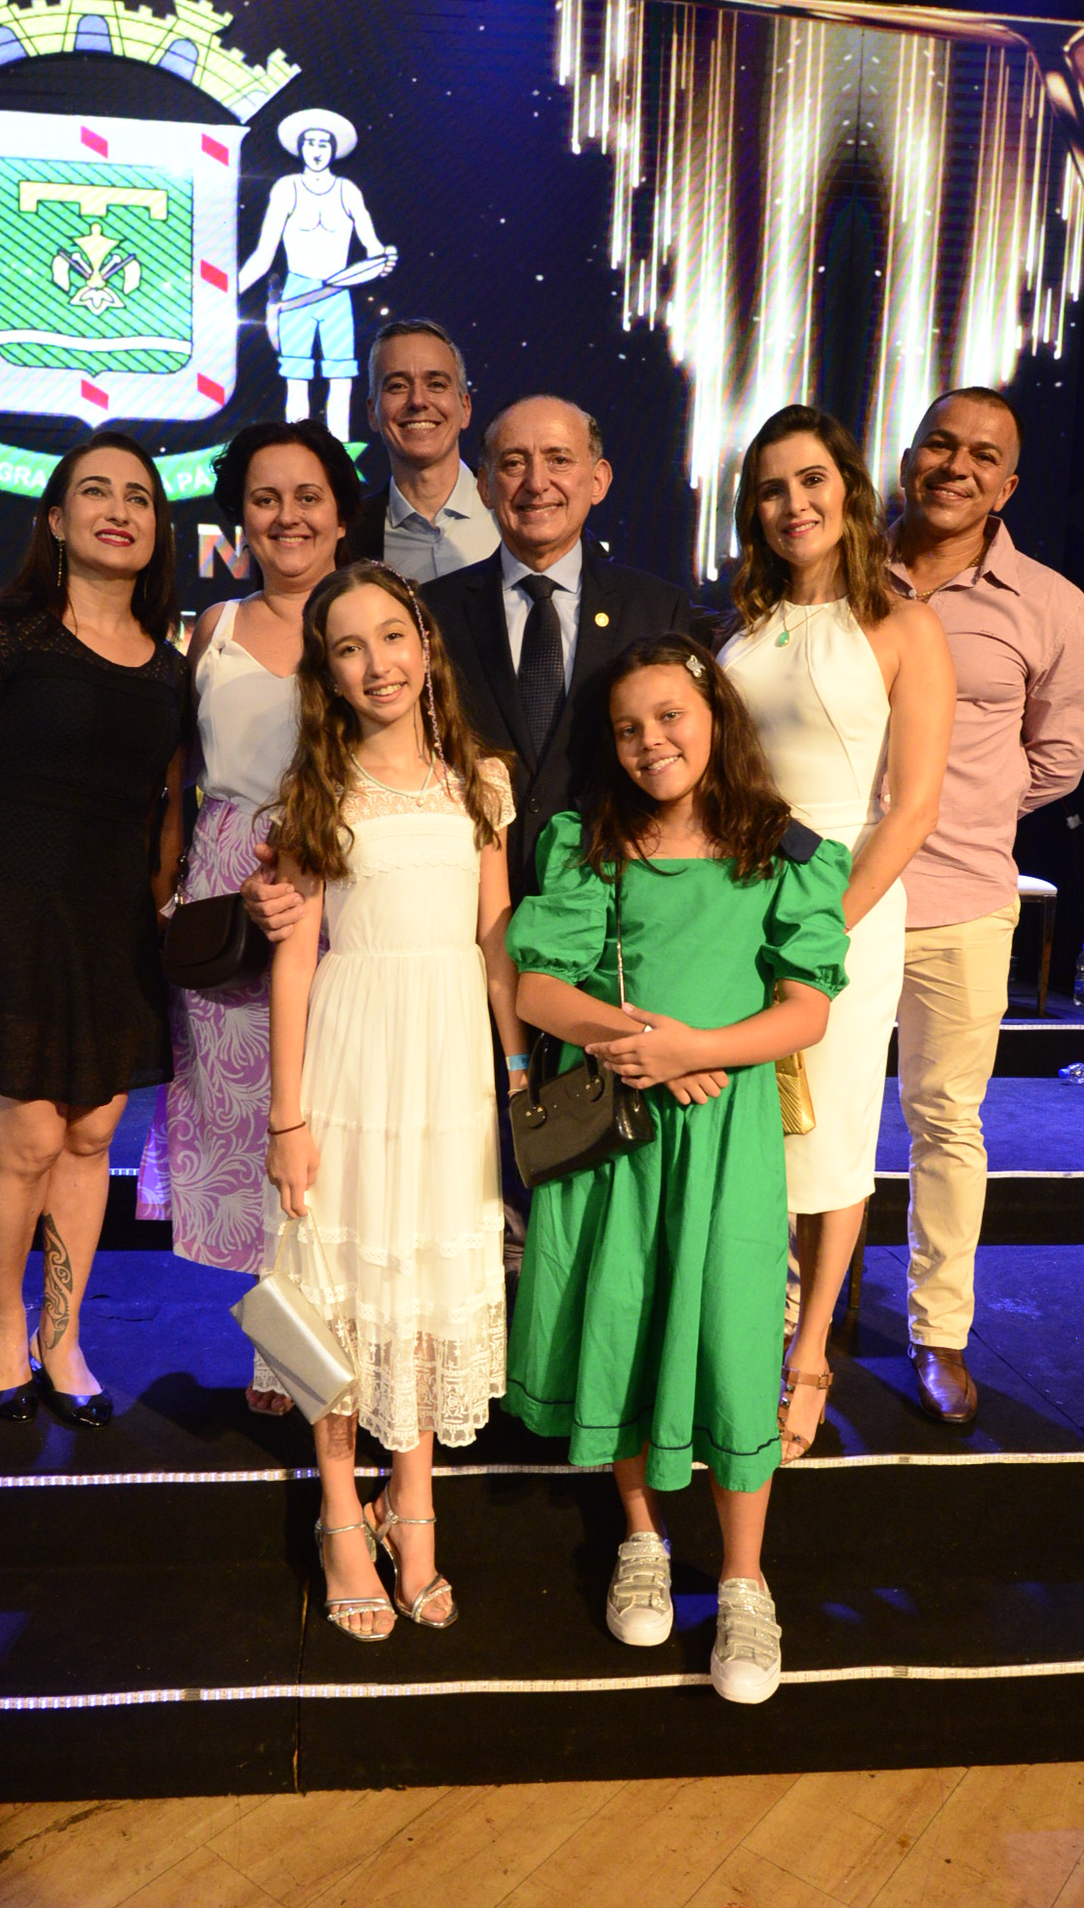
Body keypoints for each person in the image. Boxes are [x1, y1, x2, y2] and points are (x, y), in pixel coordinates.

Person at [504, 636, 849, 1702]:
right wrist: (642, 1045)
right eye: (626, 728)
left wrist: (698, 1049)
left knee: (732, 1332)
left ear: (713, 718)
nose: (649, 742)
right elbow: (536, 989)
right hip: (622, 1137)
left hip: (725, 1137)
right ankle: (642, 1538)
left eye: (668, 717)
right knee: (629, 1317)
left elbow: (806, 1007)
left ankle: (744, 1580)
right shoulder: (588, 839)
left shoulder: (780, 847)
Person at [265, 562, 528, 1640]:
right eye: (347, 648)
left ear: (425, 645)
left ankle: (411, 1503)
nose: (376, 663)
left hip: (451, 1071)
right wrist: (286, 1118)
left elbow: (495, 934)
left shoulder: (482, 783)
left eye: (390, 636)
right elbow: (293, 963)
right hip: (350, 1061)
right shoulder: (316, 792)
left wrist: (518, 1067)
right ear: (327, 674)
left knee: (423, 1284)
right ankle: (339, 1509)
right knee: (337, 1290)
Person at [0, 435, 185, 1425]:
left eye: (138, 497)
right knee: (26, 1137)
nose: (119, 510)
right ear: (56, 521)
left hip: (111, 930)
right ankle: (5, 1322)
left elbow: (164, 816)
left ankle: (63, 1338)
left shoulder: (171, 668)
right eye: (94, 493)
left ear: (158, 528)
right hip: (5, 918)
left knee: (93, 1132)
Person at [719, 405, 955, 1460]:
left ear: (848, 491)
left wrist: (820, 930)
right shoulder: (740, 628)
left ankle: (809, 1352)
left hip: (842, 912)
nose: (793, 504)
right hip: (733, 905)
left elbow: (912, 809)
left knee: (828, 1139)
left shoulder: (904, 627)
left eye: (810, 480)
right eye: (771, 488)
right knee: (746, 1132)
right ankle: (745, 1331)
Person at [886, 387, 1084, 1421]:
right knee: (808, 1121)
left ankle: (938, 1333)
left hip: (962, 899)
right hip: (829, 900)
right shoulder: (839, 572)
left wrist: (955, 812)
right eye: (940, 443)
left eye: (983, 455)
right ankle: (794, 1313)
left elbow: (1056, 760)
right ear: (909, 458)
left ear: (1007, 485)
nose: (956, 465)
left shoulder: (1051, 608)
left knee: (945, 1121)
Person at [136, 419, 361, 1414]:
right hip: (230, 893)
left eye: (307, 496)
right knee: (248, 1121)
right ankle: (283, 1344)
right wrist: (166, 889)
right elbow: (175, 775)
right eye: (265, 499)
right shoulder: (214, 627)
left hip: (347, 882)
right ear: (242, 516)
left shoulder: (374, 616)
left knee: (337, 1110)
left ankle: (339, 1333)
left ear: (341, 513)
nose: (287, 516)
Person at [422, 395, 705, 902]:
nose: (536, 483)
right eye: (514, 463)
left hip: (615, 903)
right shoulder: (432, 614)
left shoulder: (657, 609)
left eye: (558, 460)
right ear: (484, 485)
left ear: (598, 480)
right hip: (463, 904)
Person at [238, 108, 396, 438]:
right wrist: (230, 292)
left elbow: (372, 245)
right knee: (296, 378)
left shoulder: (348, 190)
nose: (317, 150)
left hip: (337, 296)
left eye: (323, 143)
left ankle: (340, 447)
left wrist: (382, 259)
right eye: (310, 142)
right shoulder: (286, 188)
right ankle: (295, 443)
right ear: (300, 148)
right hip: (297, 293)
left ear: (333, 150)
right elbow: (264, 254)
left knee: (341, 376)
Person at [342, 318, 500, 578]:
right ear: (372, 412)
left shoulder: (512, 508)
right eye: (397, 386)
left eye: (436, 384)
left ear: (465, 408)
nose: (417, 400)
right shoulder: (345, 538)